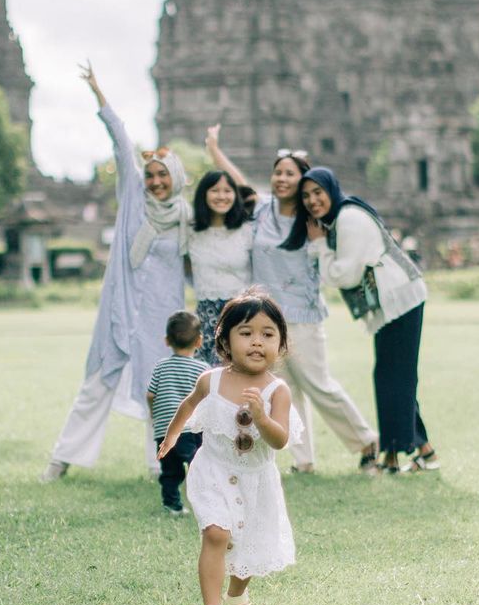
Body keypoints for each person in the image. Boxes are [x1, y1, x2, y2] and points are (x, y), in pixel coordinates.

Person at [41, 63, 191, 481]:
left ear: (176, 180)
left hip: (163, 316)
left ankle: (158, 464)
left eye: (164, 176)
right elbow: (123, 146)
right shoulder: (134, 205)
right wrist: (98, 91)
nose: (156, 182)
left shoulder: (185, 218)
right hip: (123, 310)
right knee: (97, 385)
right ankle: (61, 459)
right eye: (151, 176)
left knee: (160, 392)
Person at [206, 127, 378, 475]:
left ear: (302, 181)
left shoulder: (312, 220)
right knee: (286, 389)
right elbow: (237, 180)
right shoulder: (262, 209)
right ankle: (303, 460)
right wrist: (213, 148)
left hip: (302, 315)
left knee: (319, 384)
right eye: (278, 172)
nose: (282, 179)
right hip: (267, 319)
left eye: (290, 173)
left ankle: (366, 441)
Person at [158, 289, 299, 605]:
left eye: (268, 334)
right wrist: (172, 437)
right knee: (217, 533)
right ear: (225, 339)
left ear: (280, 344)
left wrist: (262, 419)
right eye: (246, 332)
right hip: (214, 471)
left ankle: (237, 597)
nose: (256, 342)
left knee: (249, 543)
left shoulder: (277, 390)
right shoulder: (212, 380)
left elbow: (280, 439)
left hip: (256, 480)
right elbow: (189, 405)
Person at [282, 167, 440, 476]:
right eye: (306, 196)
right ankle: (424, 450)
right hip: (396, 301)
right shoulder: (342, 217)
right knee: (395, 376)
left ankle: (392, 454)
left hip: (399, 300)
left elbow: (344, 275)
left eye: (318, 192)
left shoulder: (349, 219)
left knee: (393, 378)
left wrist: (319, 246)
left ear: (332, 190)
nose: (313, 201)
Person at [186, 169, 254, 363]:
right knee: (207, 378)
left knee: (237, 377)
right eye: (215, 190)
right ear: (204, 194)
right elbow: (184, 267)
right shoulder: (191, 231)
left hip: (241, 315)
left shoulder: (247, 229)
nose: (222, 196)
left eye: (227, 191)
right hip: (205, 315)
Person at [147, 310, 206, 516]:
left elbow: (150, 394)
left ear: (166, 341)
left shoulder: (160, 367)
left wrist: (154, 416)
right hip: (190, 429)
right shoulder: (202, 369)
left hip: (164, 430)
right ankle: (206, 503)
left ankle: (172, 505)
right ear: (199, 341)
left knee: (170, 471)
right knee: (199, 467)